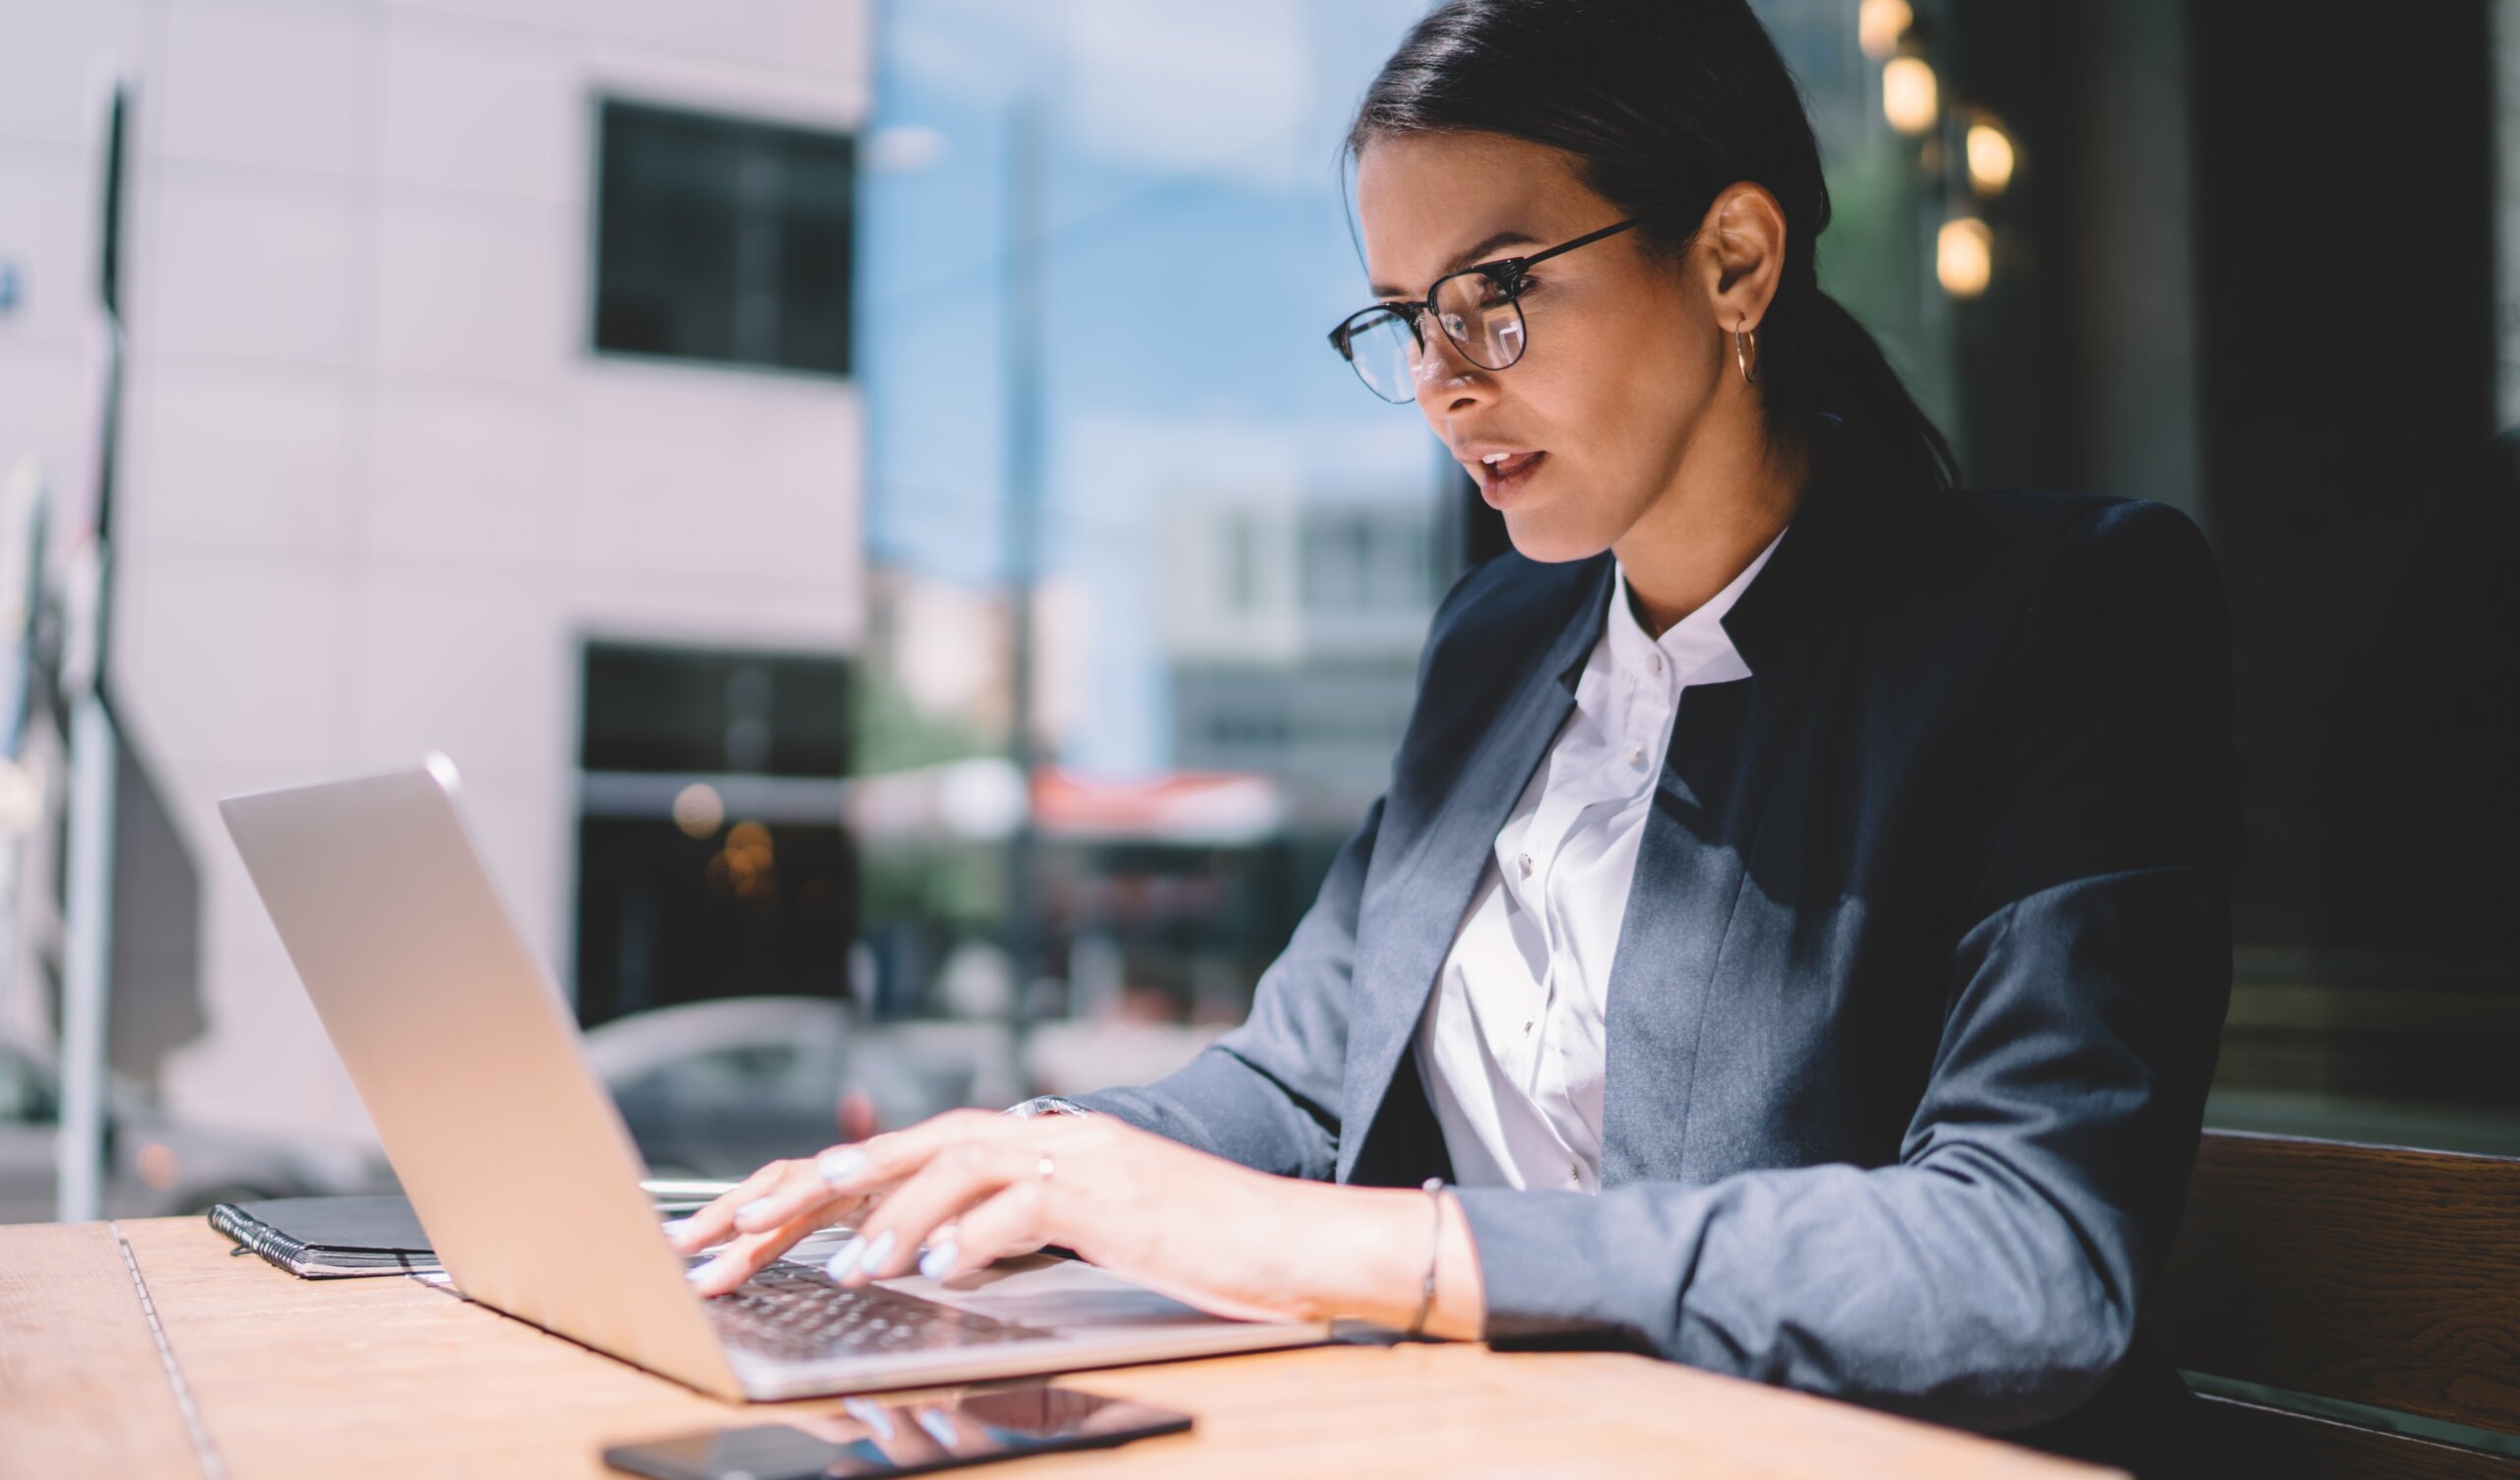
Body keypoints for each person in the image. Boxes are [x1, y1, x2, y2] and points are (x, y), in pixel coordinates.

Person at [670, 2, 2239, 1472]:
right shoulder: (1499, 645)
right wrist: (1010, 1161)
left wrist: (1366, 1248)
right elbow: (1293, 1090)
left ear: (1738, 261)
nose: (1440, 385)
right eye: (1408, 317)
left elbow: (2027, 1254)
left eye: (1496, 294)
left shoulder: (2066, 612)